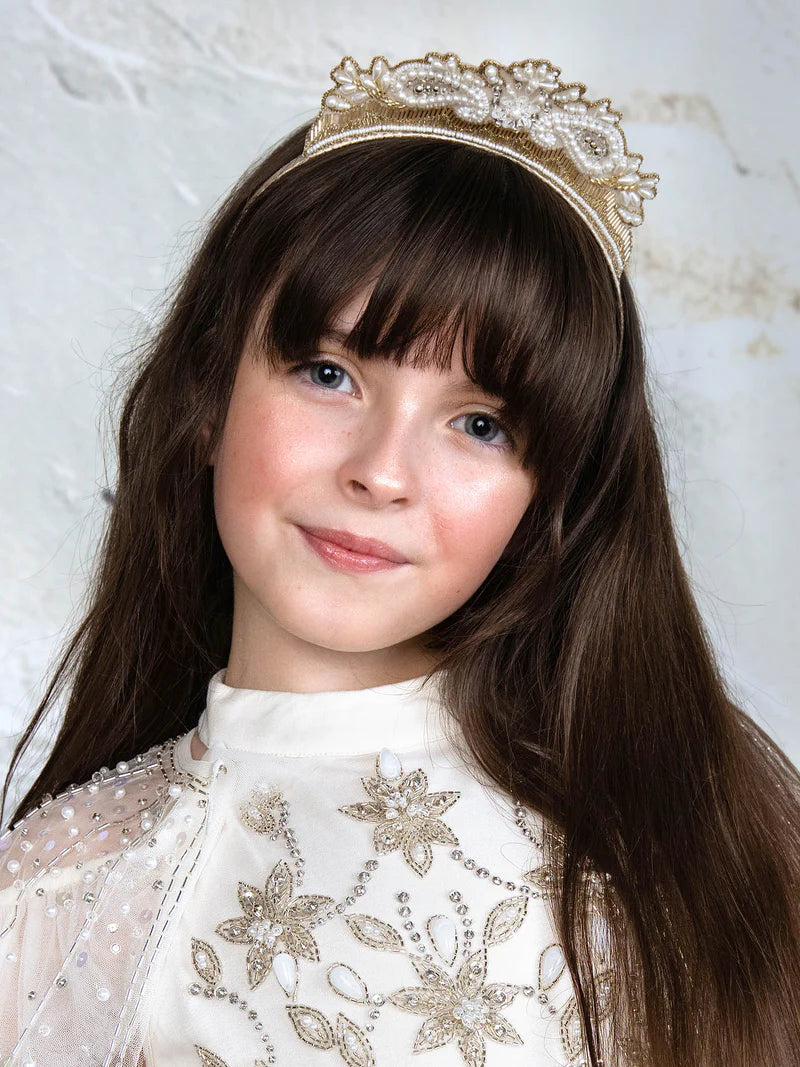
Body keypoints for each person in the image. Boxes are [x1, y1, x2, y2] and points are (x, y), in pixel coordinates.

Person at [1, 50, 798, 1067]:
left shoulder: (672, 872)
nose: (381, 472)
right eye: (328, 373)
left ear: (548, 499)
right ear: (207, 394)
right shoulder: (57, 889)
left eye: (479, 425)